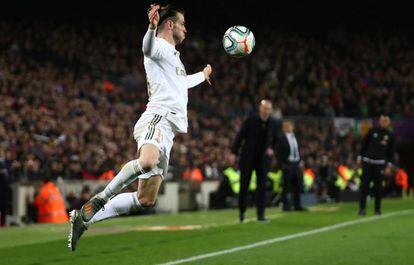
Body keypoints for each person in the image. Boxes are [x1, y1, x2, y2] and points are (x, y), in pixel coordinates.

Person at [68, 3, 212, 251]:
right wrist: (150, 27)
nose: (186, 30)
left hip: (168, 132)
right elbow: (147, 48)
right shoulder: (158, 47)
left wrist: (202, 74)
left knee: (146, 199)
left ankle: (84, 217)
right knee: (146, 161)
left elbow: (181, 84)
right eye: (183, 24)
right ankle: (101, 198)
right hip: (157, 118)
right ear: (170, 24)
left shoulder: (174, 57)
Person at [229, 99, 276, 223]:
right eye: (265, 108)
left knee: (262, 187)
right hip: (248, 157)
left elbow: (276, 139)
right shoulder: (250, 120)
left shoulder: (272, 123)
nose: (266, 111)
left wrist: (272, 148)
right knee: (244, 184)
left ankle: (261, 215)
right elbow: (240, 136)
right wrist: (234, 152)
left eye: (268, 109)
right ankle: (241, 213)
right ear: (260, 109)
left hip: (262, 159)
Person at [357, 115, 395, 215]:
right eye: (382, 121)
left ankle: (377, 210)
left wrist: (389, 166)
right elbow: (364, 144)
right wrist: (360, 157)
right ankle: (362, 209)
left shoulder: (390, 135)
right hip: (368, 162)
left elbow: (391, 152)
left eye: (385, 121)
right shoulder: (372, 131)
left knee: (378, 188)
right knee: (364, 186)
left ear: (388, 123)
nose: (383, 123)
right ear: (379, 121)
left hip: (380, 164)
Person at [275, 120, 307, 212]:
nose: (287, 127)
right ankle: (286, 206)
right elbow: (278, 153)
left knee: (298, 184)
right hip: (288, 163)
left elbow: (298, 150)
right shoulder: (281, 138)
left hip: (296, 163)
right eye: (285, 126)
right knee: (286, 185)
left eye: (289, 125)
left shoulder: (296, 137)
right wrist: (282, 165)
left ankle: (297, 205)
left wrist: (300, 160)